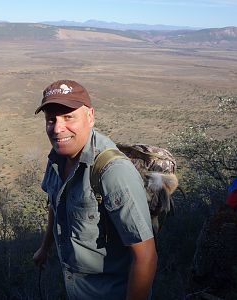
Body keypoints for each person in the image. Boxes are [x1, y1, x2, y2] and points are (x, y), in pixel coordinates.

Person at [33, 79, 157, 300]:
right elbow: (56, 202)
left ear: (90, 116)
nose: (58, 127)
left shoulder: (113, 172)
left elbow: (146, 257)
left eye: (68, 116)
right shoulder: (56, 158)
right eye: (51, 119)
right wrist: (45, 247)